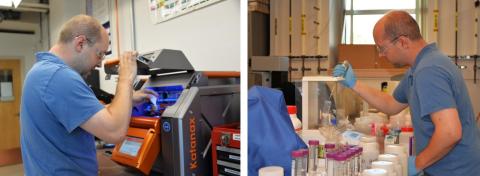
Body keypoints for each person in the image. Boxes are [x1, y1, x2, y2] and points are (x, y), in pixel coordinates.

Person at [333, 10, 480, 175]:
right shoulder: (418, 67)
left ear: (403, 42)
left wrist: (416, 164)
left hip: (456, 171)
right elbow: (391, 104)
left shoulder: (429, 70)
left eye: (382, 48)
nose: (381, 55)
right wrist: (355, 84)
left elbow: (450, 132)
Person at [20, 15, 158, 175]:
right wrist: (125, 78)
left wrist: (129, 100)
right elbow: (115, 132)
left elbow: (82, 114)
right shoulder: (59, 77)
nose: (100, 63)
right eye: (100, 54)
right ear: (80, 43)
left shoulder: (41, 71)